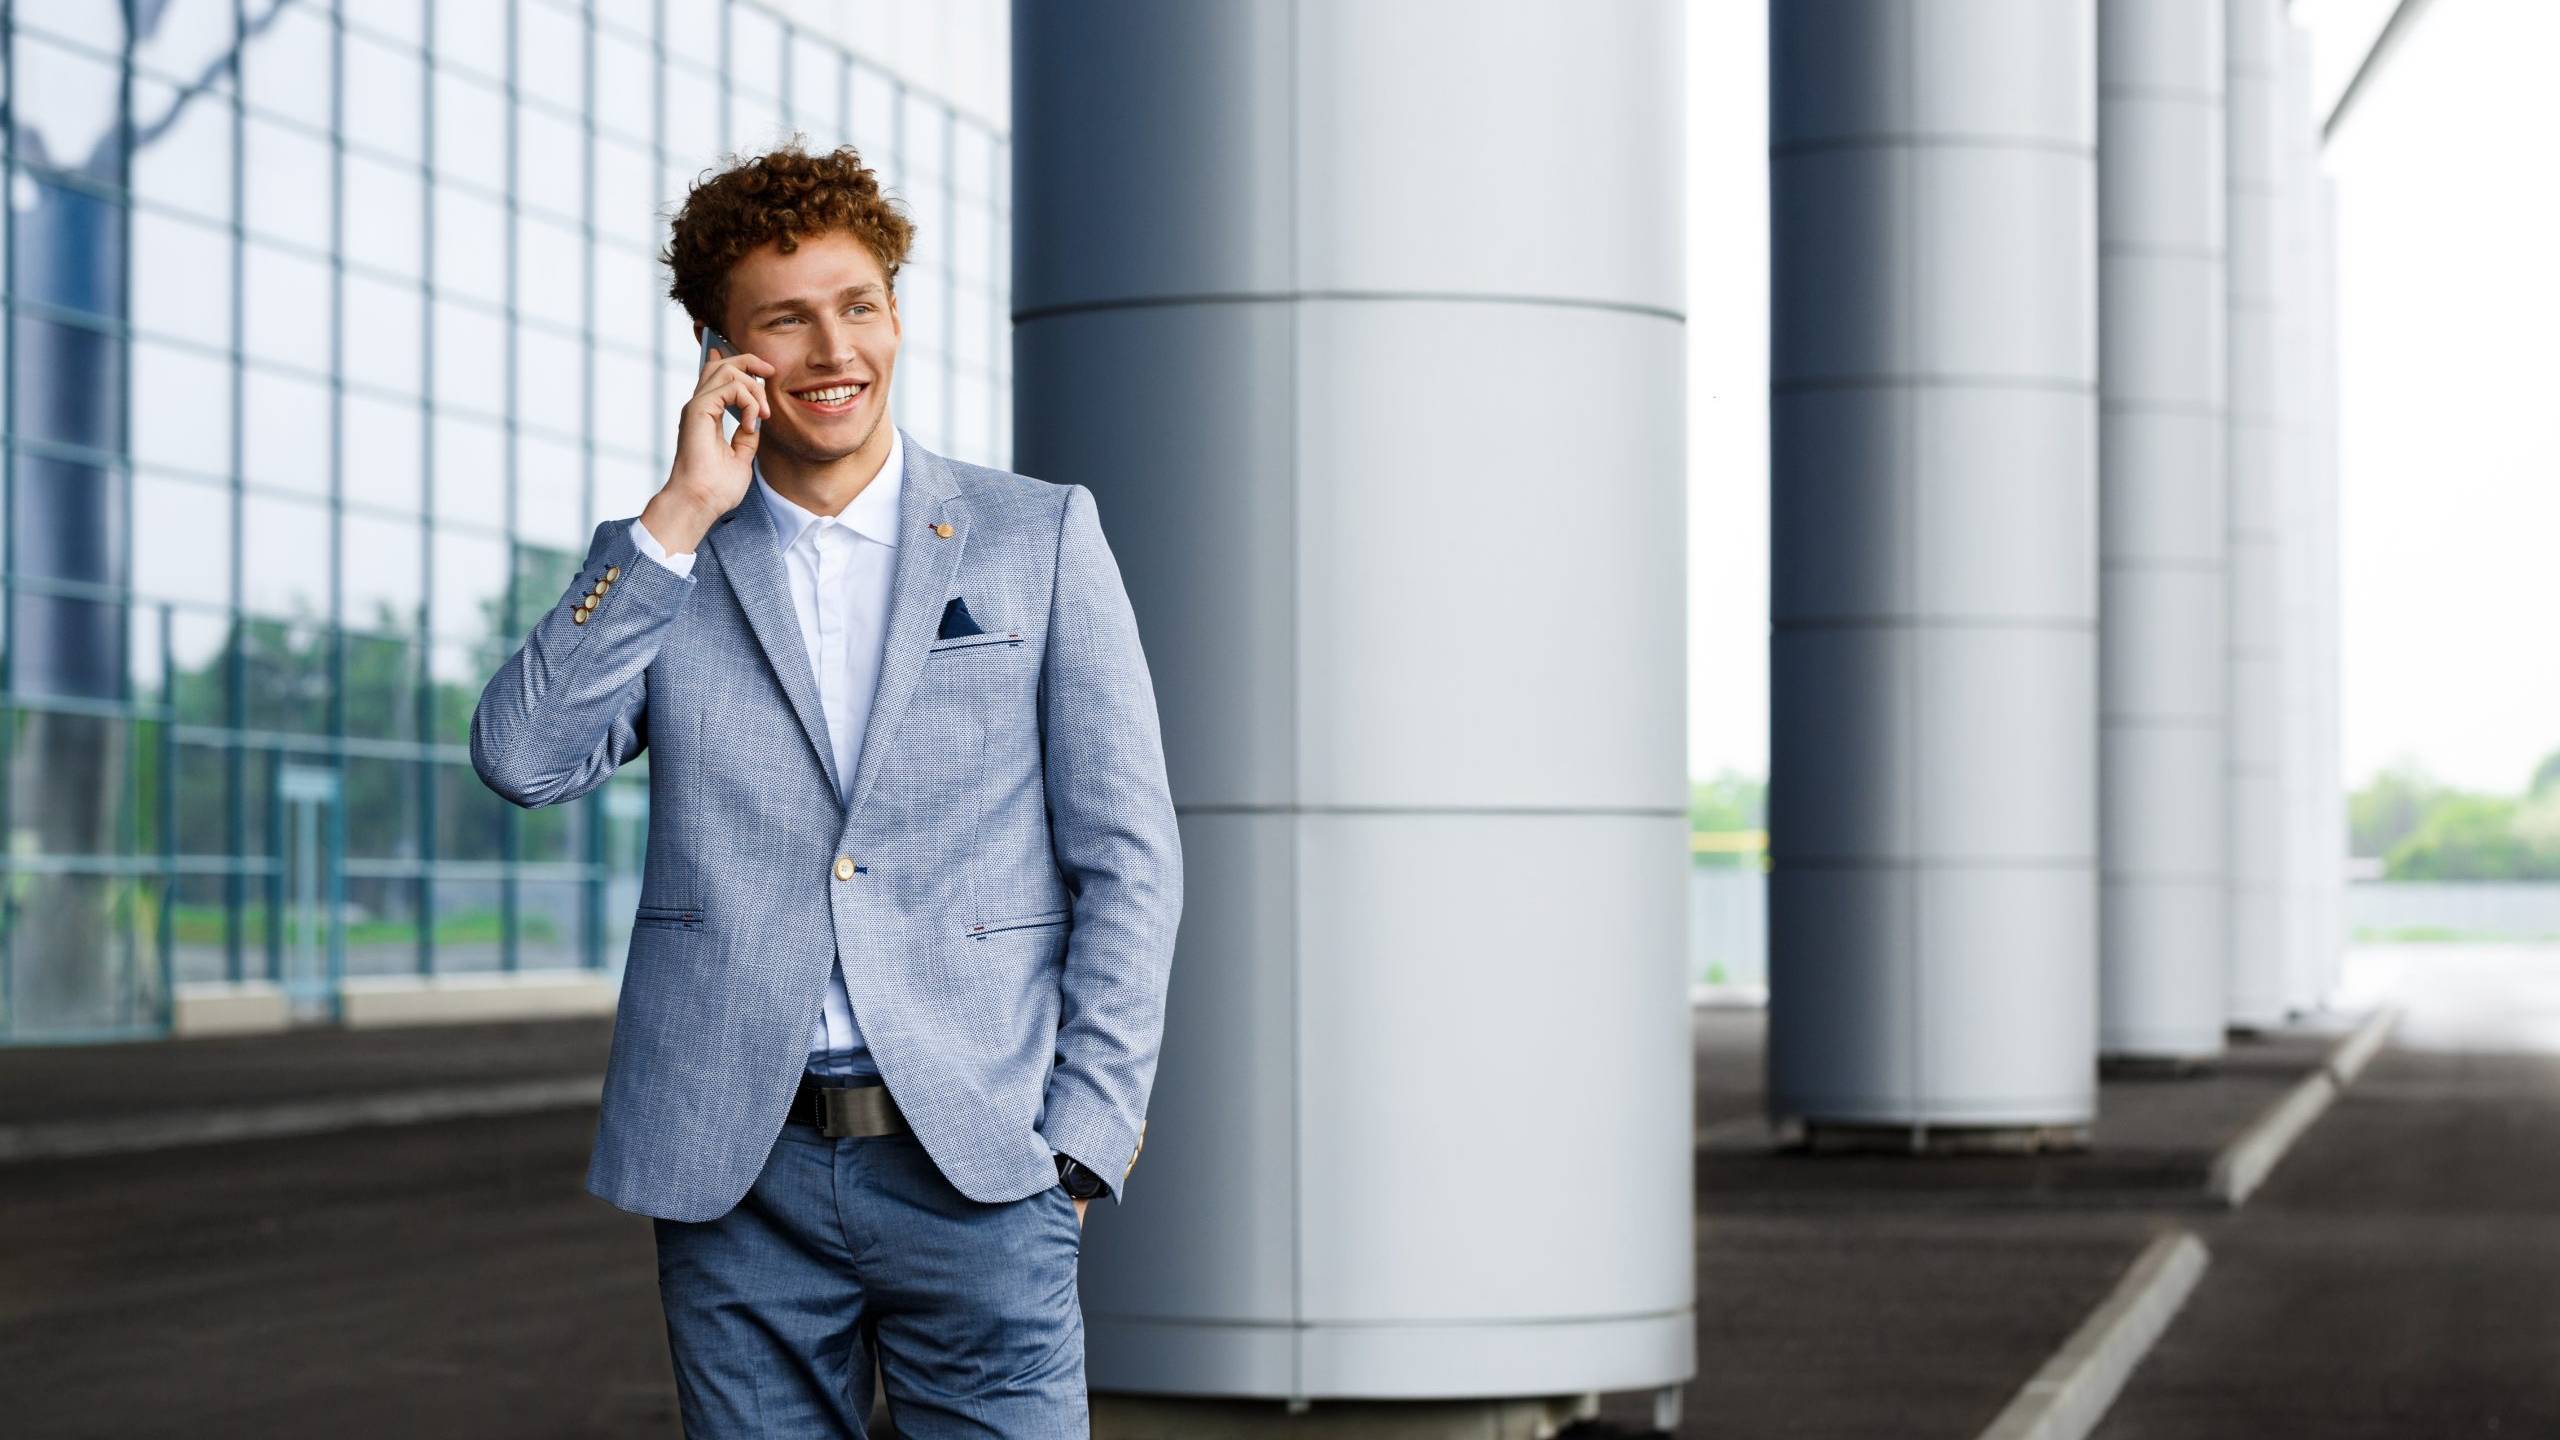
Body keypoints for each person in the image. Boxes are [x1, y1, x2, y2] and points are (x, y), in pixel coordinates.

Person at [469, 138, 1183, 1437]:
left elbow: (1129, 855)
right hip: (738, 1172)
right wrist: (677, 517)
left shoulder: (1038, 537)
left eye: (857, 305)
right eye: (785, 321)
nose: (834, 349)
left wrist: (1085, 1131)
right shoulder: (672, 571)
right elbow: (524, 759)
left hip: (980, 1155)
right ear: (716, 346)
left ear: (897, 312)